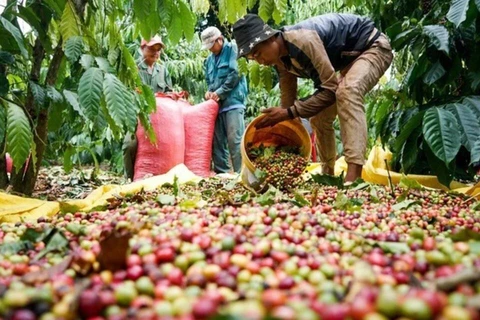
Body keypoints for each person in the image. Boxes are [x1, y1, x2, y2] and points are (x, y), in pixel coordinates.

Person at [232, 14, 393, 182]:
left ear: (269, 38)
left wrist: (291, 112)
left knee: (347, 91)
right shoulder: (280, 59)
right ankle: (327, 174)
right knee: (319, 118)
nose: (259, 61)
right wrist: (285, 123)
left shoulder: (303, 41)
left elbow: (330, 90)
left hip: (372, 47)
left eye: (257, 54)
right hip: (348, 62)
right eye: (252, 58)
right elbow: (287, 92)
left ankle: (354, 177)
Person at [123, 35, 172, 180]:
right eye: (152, 48)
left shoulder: (163, 70)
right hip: (137, 117)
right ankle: (129, 179)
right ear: (142, 48)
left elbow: (168, 92)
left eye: (158, 50)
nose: (156, 52)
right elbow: (128, 93)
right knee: (129, 145)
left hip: (159, 120)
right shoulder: (134, 69)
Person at [201, 27, 248, 174]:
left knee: (235, 140)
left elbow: (236, 73)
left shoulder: (232, 49)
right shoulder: (209, 60)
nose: (210, 50)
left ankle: (241, 174)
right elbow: (209, 80)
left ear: (219, 39)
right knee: (217, 142)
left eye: (211, 45)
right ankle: (223, 175)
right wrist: (209, 92)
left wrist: (220, 92)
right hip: (217, 106)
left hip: (233, 103)